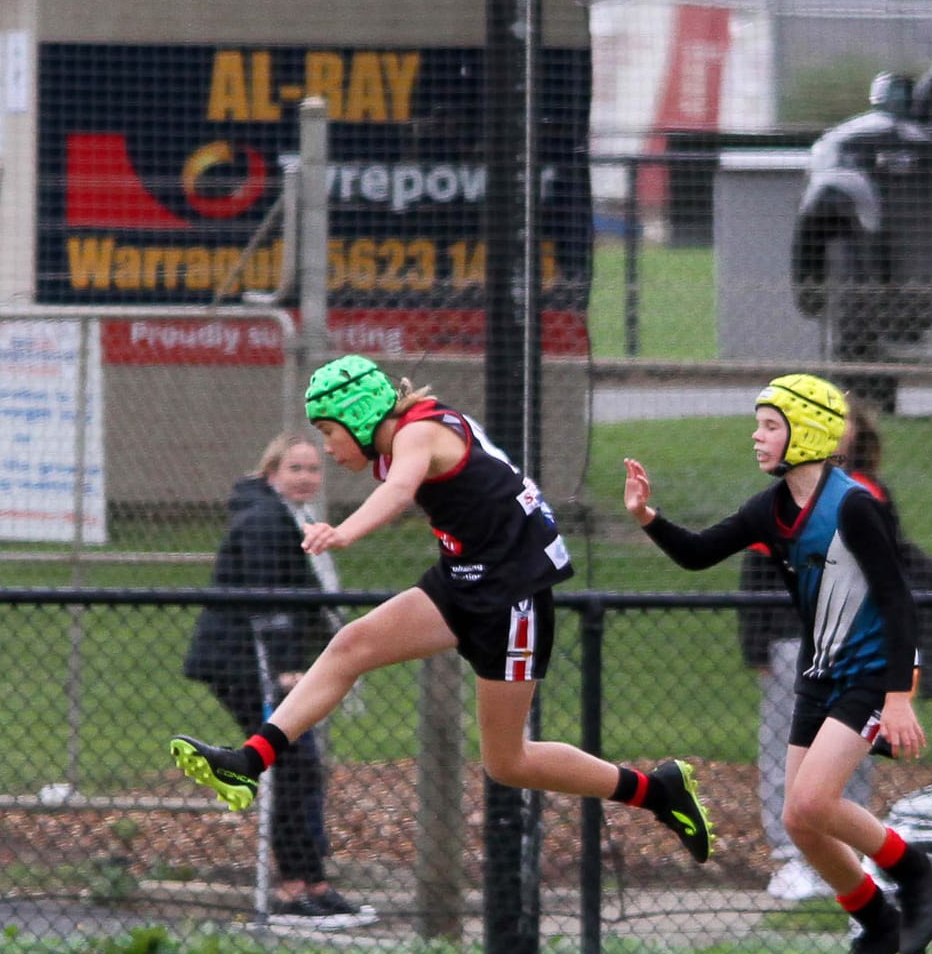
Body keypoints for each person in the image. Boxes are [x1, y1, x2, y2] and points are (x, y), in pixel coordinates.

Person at [170, 355, 717, 879]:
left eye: (328, 431)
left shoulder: (417, 433)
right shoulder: (408, 431)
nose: (326, 447)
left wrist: (343, 531)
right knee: (350, 647)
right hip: (464, 578)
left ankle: (657, 790)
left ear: (359, 415)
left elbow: (402, 489)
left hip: (511, 595)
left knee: (508, 762)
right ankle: (248, 761)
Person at [623, 373, 932, 954]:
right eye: (759, 423)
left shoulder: (854, 505)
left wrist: (900, 696)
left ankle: (916, 870)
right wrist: (648, 516)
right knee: (801, 821)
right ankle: (876, 919)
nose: (758, 435)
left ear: (810, 433)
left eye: (771, 425)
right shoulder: (770, 509)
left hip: (870, 673)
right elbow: (697, 553)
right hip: (819, 676)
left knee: (811, 799)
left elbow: (900, 601)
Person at [183, 432, 374, 928]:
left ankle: (315, 884)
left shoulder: (296, 519)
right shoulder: (265, 520)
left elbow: (304, 602)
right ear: (272, 474)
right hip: (245, 663)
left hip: (270, 662)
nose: (307, 477)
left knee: (301, 766)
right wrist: (287, 669)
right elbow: (271, 604)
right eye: (295, 469)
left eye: (313, 469)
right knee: (292, 763)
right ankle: (293, 891)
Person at [741, 406, 881, 902]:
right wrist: (755, 641)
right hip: (790, 641)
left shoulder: (869, 495)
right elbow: (755, 571)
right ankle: (791, 860)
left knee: (852, 757)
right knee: (785, 749)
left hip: (853, 647)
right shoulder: (782, 499)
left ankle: (853, 859)